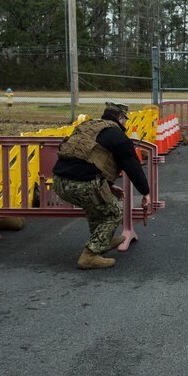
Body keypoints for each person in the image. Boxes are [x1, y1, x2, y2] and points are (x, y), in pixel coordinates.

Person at [52, 102, 151, 270]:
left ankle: (100, 242)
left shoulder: (89, 127)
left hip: (59, 181)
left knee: (96, 208)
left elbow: (88, 160)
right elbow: (131, 165)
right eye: (125, 119)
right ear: (120, 118)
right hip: (82, 184)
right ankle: (90, 255)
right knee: (114, 212)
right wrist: (145, 192)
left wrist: (109, 186)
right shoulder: (118, 136)